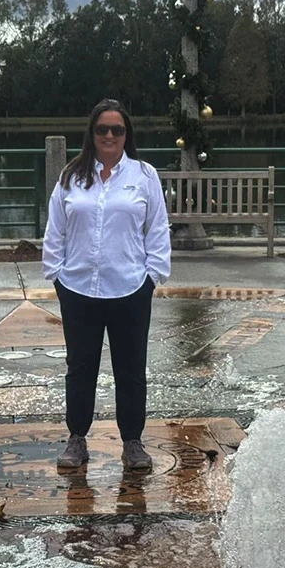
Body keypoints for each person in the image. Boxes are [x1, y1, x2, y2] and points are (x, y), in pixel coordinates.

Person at [42, 98, 171, 471]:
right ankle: (77, 439)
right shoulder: (72, 176)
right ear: (92, 134)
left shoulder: (144, 176)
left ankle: (132, 442)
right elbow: (56, 229)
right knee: (80, 368)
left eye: (117, 129)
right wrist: (57, 276)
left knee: (130, 369)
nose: (110, 136)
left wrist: (152, 277)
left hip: (131, 287)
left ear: (126, 134)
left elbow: (157, 228)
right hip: (79, 287)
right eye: (102, 129)